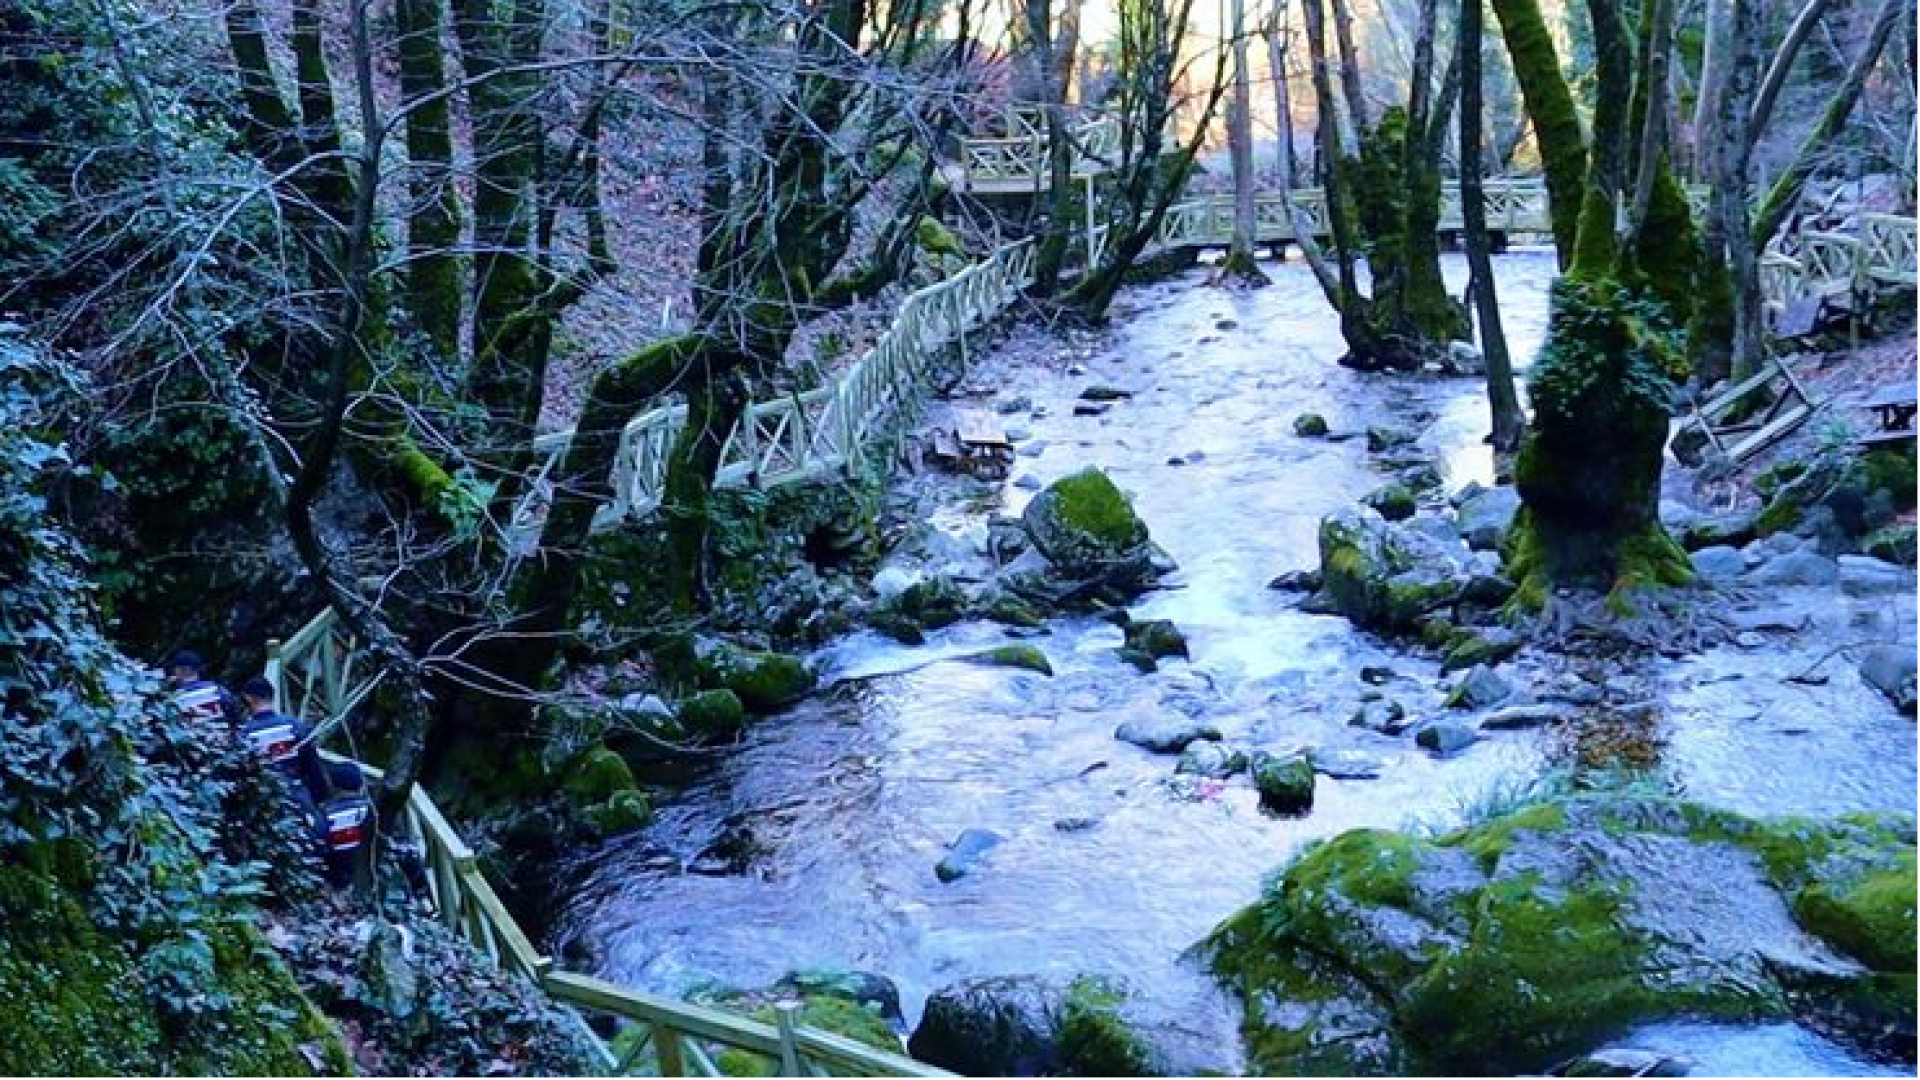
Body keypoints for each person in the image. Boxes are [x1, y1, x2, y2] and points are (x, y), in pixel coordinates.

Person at [166, 649, 238, 724]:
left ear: (186, 669)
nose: (173, 671)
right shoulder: (213, 686)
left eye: (175, 668)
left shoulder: (186, 692)